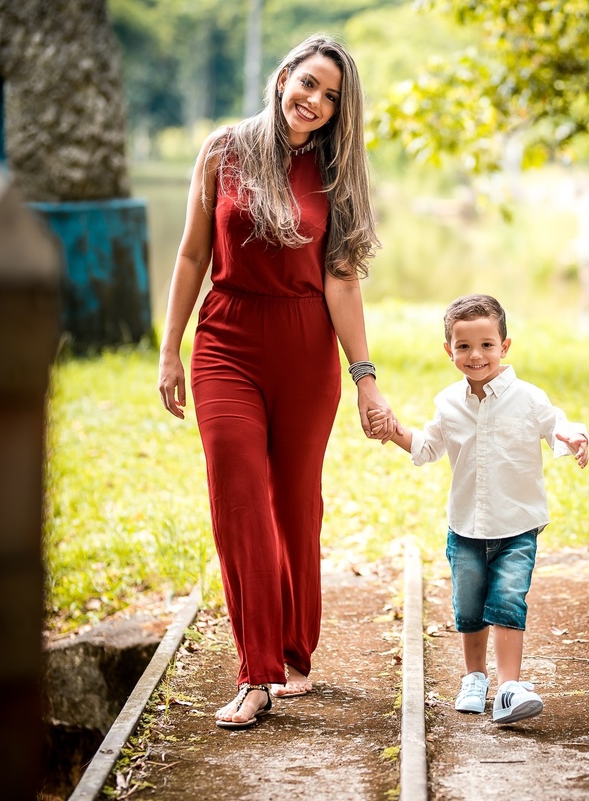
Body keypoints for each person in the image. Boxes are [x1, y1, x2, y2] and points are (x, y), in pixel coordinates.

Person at [157, 33, 390, 730]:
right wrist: (170, 348)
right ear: (284, 74)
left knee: (295, 504)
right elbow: (194, 250)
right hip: (226, 339)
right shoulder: (223, 150)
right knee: (239, 497)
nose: (313, 101)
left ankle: (294, 650)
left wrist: (365, 377)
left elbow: (341, 280)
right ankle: (255, 671)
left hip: (304, 347)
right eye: (308, 83)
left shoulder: (335, 172)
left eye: (330, 96)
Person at [369, 294, 589, 724]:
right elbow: (427, 447)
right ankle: (475, 677)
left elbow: (555, 423)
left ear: (504, 347)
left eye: (487, 345)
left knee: (508, 600)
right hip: (466, 527)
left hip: (518, 523)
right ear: (448, 350)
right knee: (468, 607)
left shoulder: (527, 397)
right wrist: (393, 431)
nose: (476, 355)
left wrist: (572, 436)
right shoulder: (448, 403)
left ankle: (510, 686)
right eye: (464, 346)